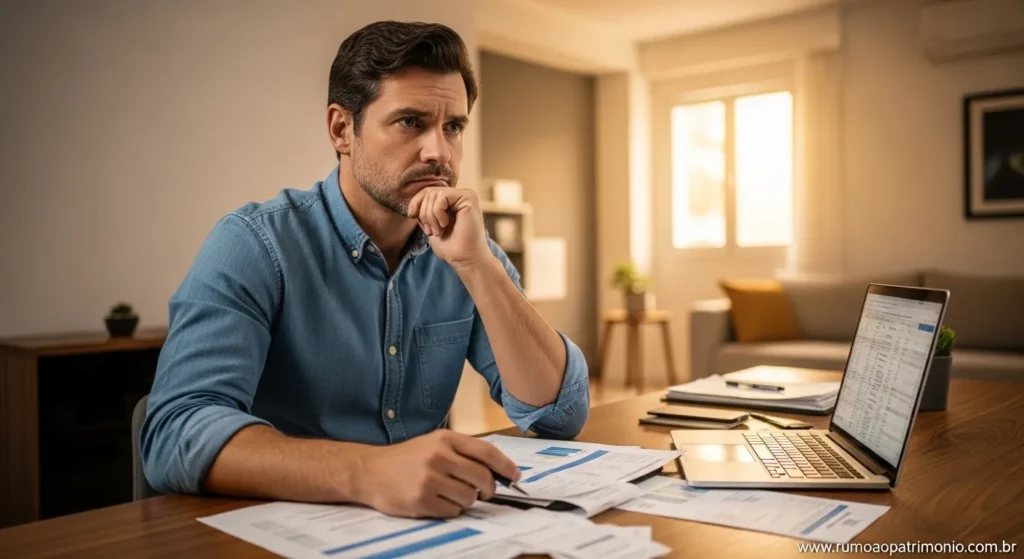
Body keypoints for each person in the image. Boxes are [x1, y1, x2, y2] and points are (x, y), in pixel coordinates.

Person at [139, 20, 590, 519]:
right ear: (341, 130)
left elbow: (560, 416)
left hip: (426, 530)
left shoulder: (467, 250)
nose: (439, 151)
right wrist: (371, 470)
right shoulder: (254, 244)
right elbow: (174, 432)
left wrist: (478, 266)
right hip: (279, 530)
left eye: (453, 127)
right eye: (410, 122)